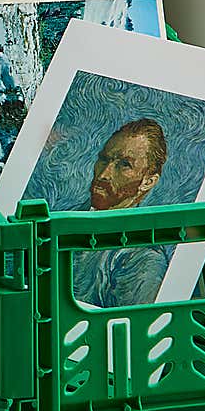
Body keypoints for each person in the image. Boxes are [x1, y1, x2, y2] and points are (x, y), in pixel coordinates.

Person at [72, 118, 173, 309]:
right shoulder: (65, 219)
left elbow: (133, 330)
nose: (104, 174)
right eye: (104, 159)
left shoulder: (142, 258)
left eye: (124, 164)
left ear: (148, 182)